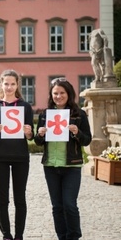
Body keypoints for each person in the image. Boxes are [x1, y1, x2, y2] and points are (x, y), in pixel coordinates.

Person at [34, 78, 92, 240]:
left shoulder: (79, 114)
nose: (58, 96)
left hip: (71, 165)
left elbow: (87, 140)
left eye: (62, 93)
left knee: (70, 205)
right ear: (51, 95)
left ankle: (73, 236)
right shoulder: (46, 114)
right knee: (57, 207)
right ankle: (62, 236)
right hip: (51, 165)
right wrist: (40, 134)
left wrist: (77, 132)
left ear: (69, 94)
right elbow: (38, 142)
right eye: (55, 93)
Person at [0, 69, 34, 240]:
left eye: (13, 83)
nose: (9, 87)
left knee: (20, 199)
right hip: (0, 157)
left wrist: (28, 132)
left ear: (17, 85)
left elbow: (31, 136)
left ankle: (19, 235)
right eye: (6, 83)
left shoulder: (25, 107)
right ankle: (6, 235)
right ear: (1, 84)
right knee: (2, 198)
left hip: (21, 156)